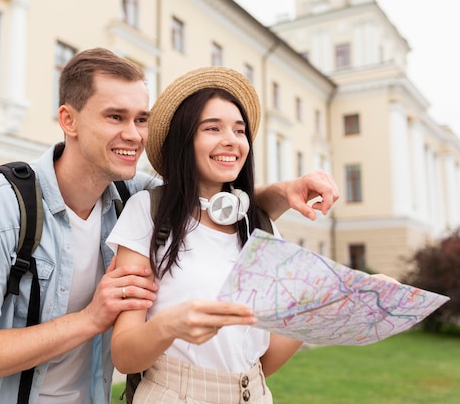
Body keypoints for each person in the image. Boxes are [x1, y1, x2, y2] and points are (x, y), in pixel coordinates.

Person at [0, 48, 338, 404]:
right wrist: (91, 319)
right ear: (68, 120)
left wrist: (284, 192)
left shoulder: (134, 195)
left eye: (141, 119)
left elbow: (211, 206)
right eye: (115, 117)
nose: (133, 135)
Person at [107, 67, 313, 404]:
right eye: (212, 128)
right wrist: (168, 326)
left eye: (239, 130)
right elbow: (123, 355)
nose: (231, 139)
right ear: (184, 139)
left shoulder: (261, 225)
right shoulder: (147, 212)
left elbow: (262, 361)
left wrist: (328, 308)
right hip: (173, 394)